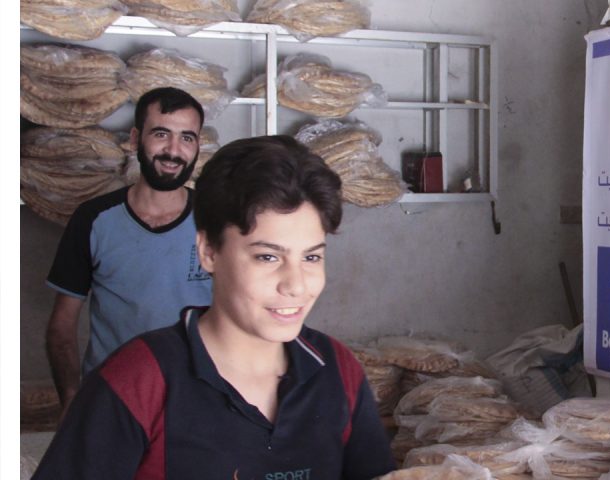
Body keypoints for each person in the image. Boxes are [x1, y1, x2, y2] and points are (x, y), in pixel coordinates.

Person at [33, 135, 396, 479]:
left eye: (312, 257)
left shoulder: (337, 371)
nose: (296, 284)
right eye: (268, 256)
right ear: (208, 252)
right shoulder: (136, 383)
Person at [44, 87, 213, 413]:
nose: (173, 150)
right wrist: (70, 401)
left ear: (197, 146)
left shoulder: (216, 219)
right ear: (136, 139)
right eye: (161, 134)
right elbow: (62, 326)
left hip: (198, 399)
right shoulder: (93, 219)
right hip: (114, 399)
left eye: (187, 138)